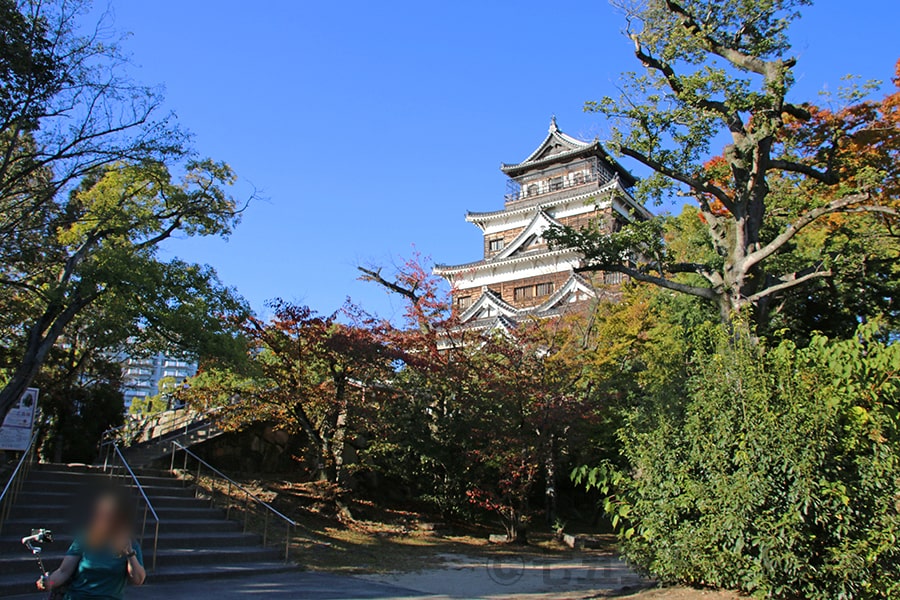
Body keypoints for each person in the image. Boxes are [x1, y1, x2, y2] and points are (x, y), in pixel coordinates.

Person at [37, 488, 146, 599]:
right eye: (102, 514)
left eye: (110, 516)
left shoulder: (130, 544)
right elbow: (63, 572)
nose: (105, 519)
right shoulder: (85, 538)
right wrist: (48, 583)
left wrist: (130, 554)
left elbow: (138, 580)